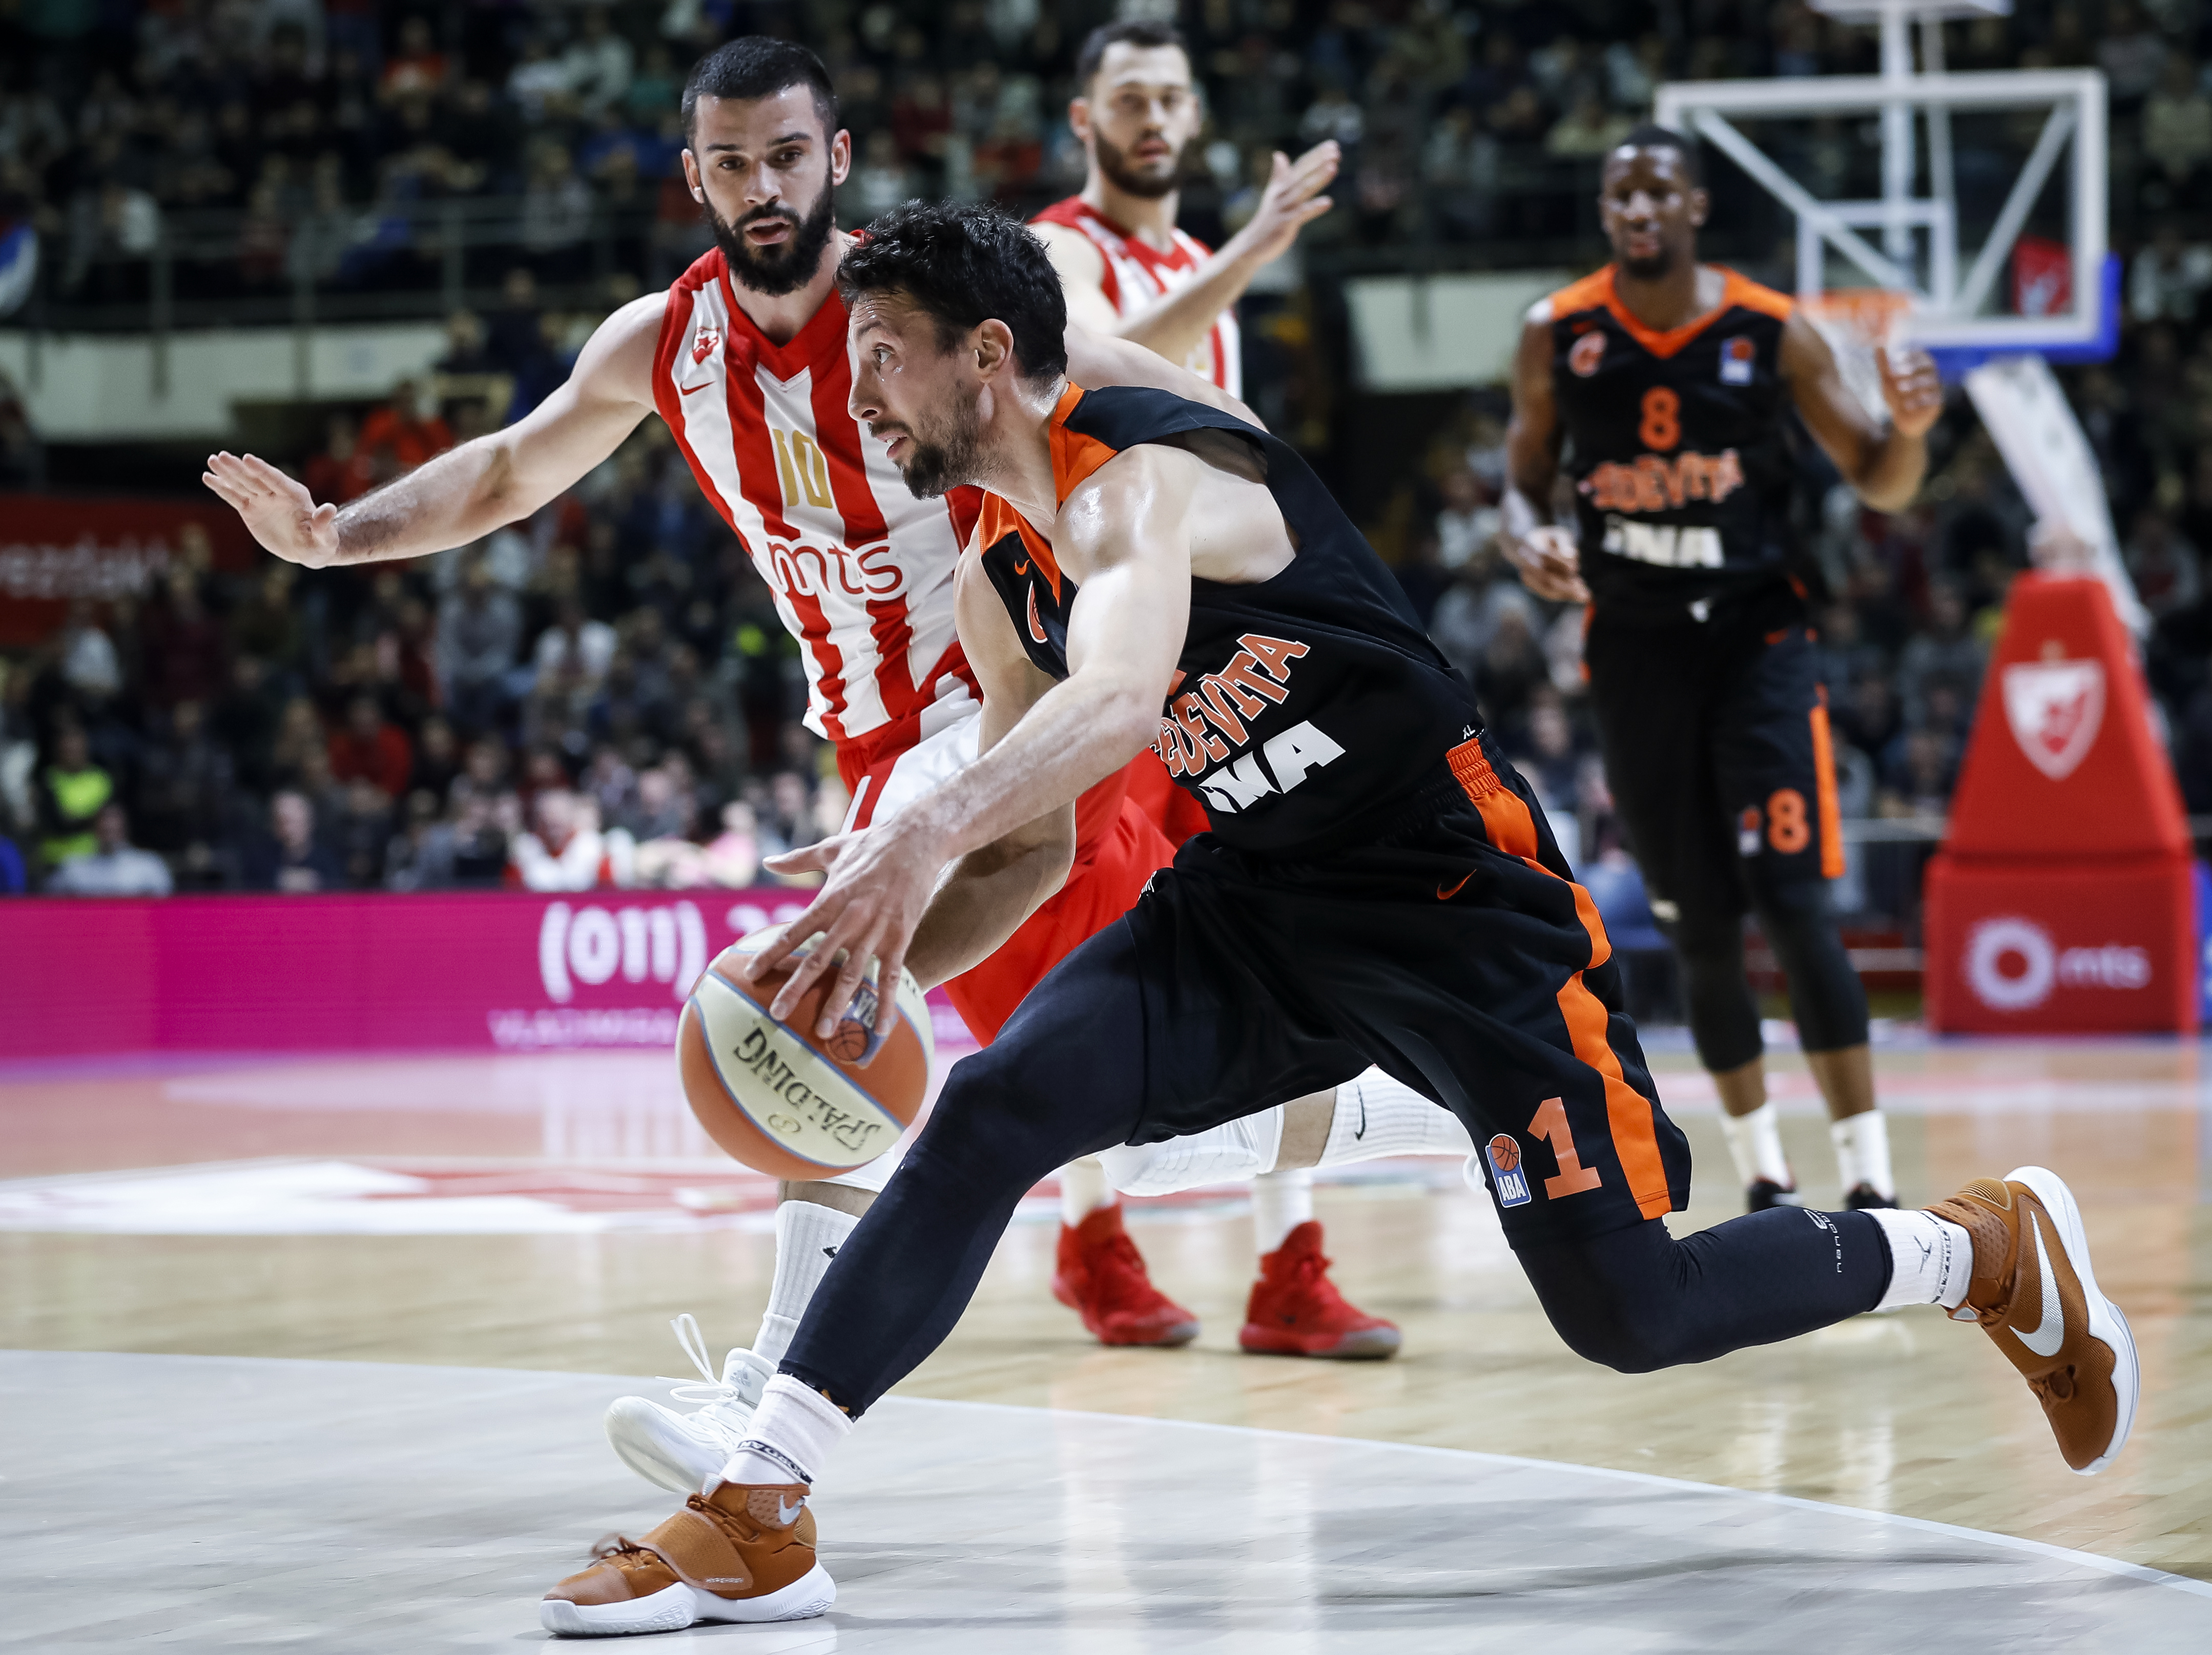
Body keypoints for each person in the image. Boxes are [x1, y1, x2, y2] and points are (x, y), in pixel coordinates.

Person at [536, 201, 2136, 1637]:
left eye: (881, 357)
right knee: (996, 1099)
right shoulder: (988, 572)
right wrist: (866, 957)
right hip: (1258, 905)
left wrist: (905, 832)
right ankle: (762, 1503)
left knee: (1630, 1311)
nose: (857, 393)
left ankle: (1969, 1246)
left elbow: (1116, 696)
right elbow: (1026, 852)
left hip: (1459, 902)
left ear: (987, 359)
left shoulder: (1158, 475)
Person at [203, 38, 1464, 1476]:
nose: (760, 186)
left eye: (785, 156)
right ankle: (1418, 1082)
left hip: (1008, 717)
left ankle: (766, 1419)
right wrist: (337, 532)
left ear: (837, 159)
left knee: (827, 1021)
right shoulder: (660, 344)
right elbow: (506, 468)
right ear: (693, 176)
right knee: (1129, 1117)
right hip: (880, 746)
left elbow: (1140, 386)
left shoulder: (923, 308)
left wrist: (1266, 570)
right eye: (730, 163)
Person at [1499, 127, 1946, 1213]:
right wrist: (1526, 537)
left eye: (1656, 188)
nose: (1636, 206)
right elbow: (1522, 482)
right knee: (1696, 921)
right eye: (1618, 193)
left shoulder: (1771, 330)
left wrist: (1915, 432)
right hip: (1634, 652)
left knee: (1793, 905)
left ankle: (1869, 1173)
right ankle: (1759, 1170)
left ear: (1695, 206)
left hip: (1754, 643)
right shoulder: (1555, 331)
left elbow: (1880, 480)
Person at [1030, 20, 1338, 406]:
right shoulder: (1057, 245)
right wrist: (1248, 251)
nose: (1154, 119)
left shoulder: (1202, 262)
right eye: (1130, 100)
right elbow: (1095, 378)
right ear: (1081, 118)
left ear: (1194, 115)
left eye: (1170, 99)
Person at [46, 802, 172, 896]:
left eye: (114, 828)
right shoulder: (74, 869)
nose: (109, 829)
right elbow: (51, 903)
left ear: (124, 828)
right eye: (105, 828)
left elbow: (165, 907)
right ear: (95, 829)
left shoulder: (149, 866)